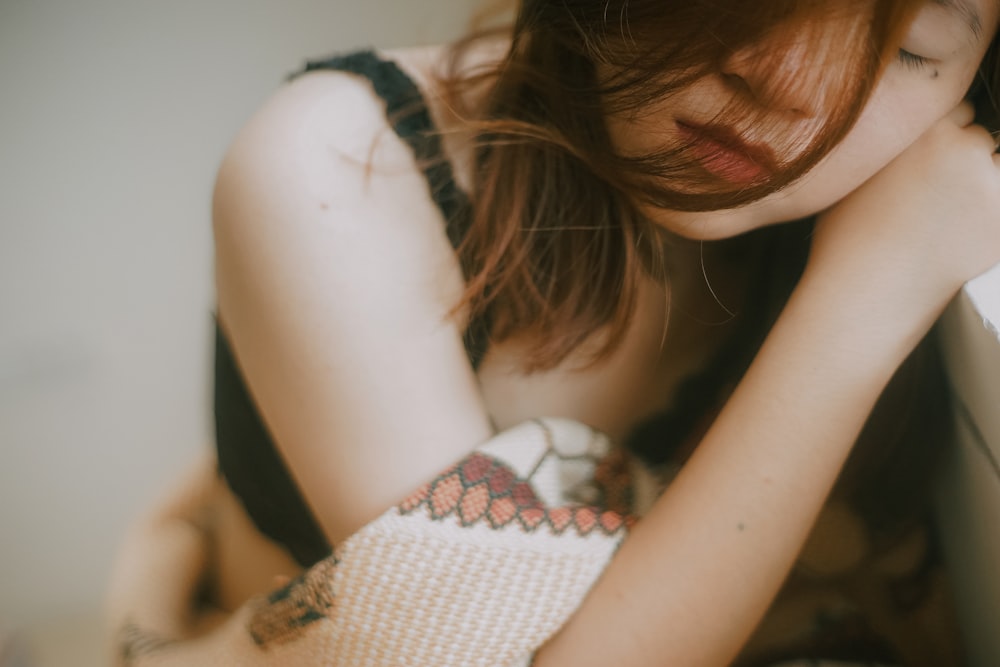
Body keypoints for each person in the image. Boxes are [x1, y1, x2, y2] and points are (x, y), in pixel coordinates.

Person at [106, 0, 1000, 665]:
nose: (792, 88)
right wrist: (868, 294)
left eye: (913, 46)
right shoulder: (337, 160)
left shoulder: (851, 199)